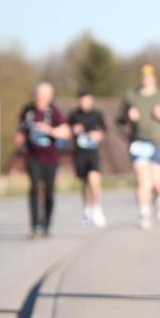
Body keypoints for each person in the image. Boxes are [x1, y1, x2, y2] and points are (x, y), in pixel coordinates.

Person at [118, 63, 160, 230]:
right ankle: (144, 214)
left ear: (154, 78)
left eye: (149, 76)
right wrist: (129, 118)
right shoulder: (131, 96)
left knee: (157, 182)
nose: (146, 79)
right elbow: (119, 120)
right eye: (143, 76)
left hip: (158, 142)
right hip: (138, 143)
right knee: (143, 181)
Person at [15, 83, 70, 238]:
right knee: (34, 188)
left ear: (49, 97)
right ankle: (34, 226)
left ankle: (46, 225)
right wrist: (19, 137)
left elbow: (66, 132)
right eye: (38, 95)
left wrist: (50, 130)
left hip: (51, 158)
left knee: (49, 192)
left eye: (44, 95)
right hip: (32, 156)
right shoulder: (28, 111)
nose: (40, 98)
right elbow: (21, 129)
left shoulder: (54, 112)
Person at [68, 88, 107, 227]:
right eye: (82, 100)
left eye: (88, 100)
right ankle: (87, 209)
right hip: (79, 153)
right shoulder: (73, 115)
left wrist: (98, 135)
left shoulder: (97, 114)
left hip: (93, 152)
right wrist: (73, 130)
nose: (85, 103)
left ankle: (97, 208)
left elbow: (104, 131)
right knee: (85, 183)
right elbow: (67, 131)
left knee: (94, 180)